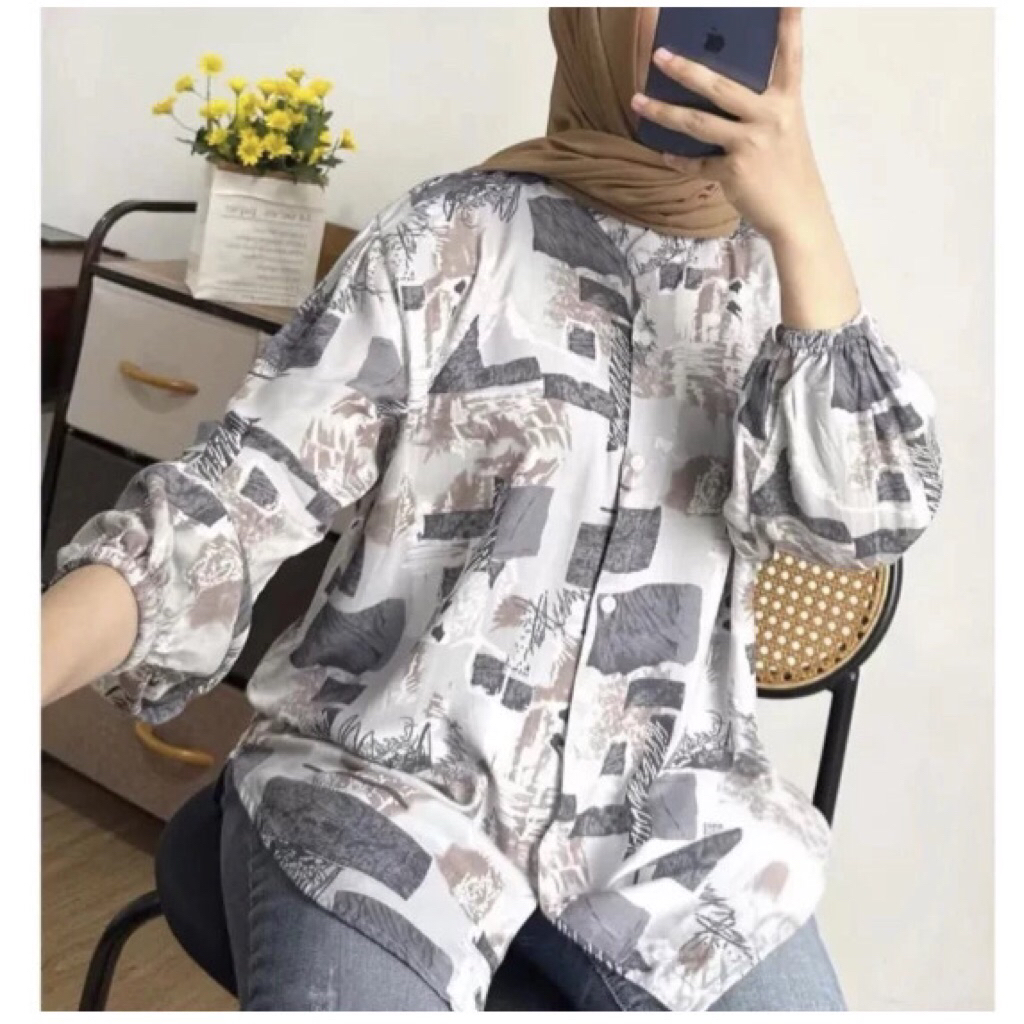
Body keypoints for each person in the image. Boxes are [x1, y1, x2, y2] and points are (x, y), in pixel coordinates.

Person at [41, 7, 942, 1012]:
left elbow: (864, 522)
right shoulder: (450, 237)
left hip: (678, 838)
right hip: (388, 797)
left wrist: (804, 224)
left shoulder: (784, 287)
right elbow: (232, 502)